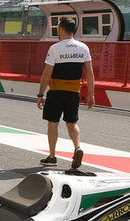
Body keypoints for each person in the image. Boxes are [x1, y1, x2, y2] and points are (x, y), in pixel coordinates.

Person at [36, 16, 95, 169]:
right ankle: (77, 147)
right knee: (72, 123)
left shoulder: (55, 48)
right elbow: (89, 73)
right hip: (74, 91)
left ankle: (52, 156)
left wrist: (41, 94)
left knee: (53, 124)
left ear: (61, 29)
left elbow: (47, 73)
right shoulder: (83, 48)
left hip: (56, 91)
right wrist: (91, 94)